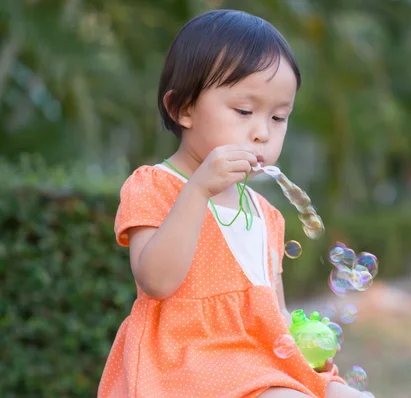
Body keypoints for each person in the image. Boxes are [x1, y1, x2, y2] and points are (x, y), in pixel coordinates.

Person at [98, 9, 366, 398]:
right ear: (182, 109)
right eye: (244, 111)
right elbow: (156, 281)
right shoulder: (155, 185)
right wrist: (198, 190)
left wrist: (306, 341)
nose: (261, 133)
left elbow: (275, 313)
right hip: (186, 362)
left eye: (278, 117)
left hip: (257, 359)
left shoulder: (267, 215)